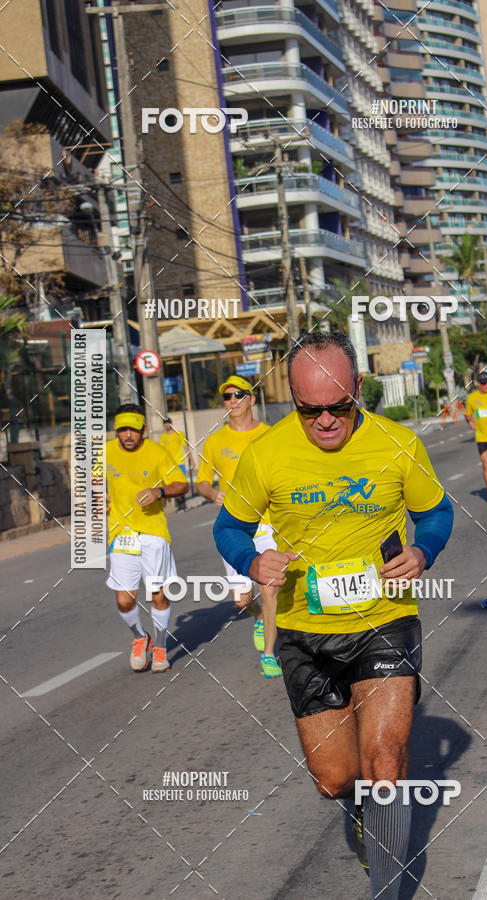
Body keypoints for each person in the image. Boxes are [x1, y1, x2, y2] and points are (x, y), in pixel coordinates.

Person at [213, 333, 453, 898]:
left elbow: (436, 511)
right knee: (335, 778)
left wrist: (423, 551)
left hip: (384, 622)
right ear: (292, 400)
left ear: (359, 390)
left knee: (386, 761)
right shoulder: (266, 453)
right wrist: (252, 559)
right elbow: (228, 527)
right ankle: (364, 805)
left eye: (338, 405)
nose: (324, 420)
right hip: (305, 631)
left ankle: (389, 885)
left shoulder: (397, 444)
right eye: (308, 409)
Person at [196, 375, 282, 678]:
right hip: (235, 528)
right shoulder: (216, 441)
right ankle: (258, 616)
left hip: (269, 525)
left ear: (252, 399)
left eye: (238, 395)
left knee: (269, 588)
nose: (232, 401)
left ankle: (270, 654)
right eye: (227, 397)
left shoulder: (271, 435)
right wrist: (212, 492)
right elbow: (202, 481)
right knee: (242, 599)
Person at [105, 403, 189, 672]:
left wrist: (159, 492)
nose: (127, 435)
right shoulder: (104, 453)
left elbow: (181, 483)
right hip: (122, 535)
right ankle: (140, 637)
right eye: (122, 429)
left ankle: (161, 645)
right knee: (124, 600)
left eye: (132, 429)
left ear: (142, 428)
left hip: (153, 534)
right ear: (115, 430)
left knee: (158, 595)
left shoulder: (157, 452)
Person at [464, 371, 487, 503]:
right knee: (486, 464)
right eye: (484, 383)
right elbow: (468, 414)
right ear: (478, 384)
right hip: (482, 436)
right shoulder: (471, 398)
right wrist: (470, 421)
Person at [160, 417, 194, 511]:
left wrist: (191, 459)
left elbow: (185, 447)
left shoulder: (179, 434)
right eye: (165, 423)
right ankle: (179, 504)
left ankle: (182, 502)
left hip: (179, 462)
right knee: (173, 484)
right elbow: (162, 452)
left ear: (171, 423)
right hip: (169, 465)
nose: (167, 425)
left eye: (168, 423)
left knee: (181, 483)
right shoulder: (163, 438)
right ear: (164, 425)